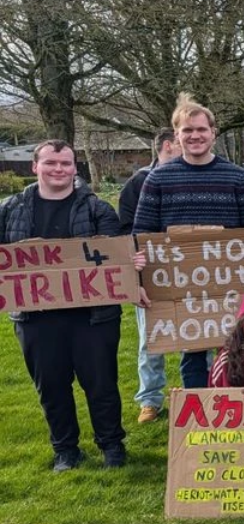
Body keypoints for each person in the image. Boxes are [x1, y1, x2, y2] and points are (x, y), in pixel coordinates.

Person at [0, 140, 146, 471]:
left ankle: (111, 446)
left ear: (74, 168)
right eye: (51, 163)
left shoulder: (97, 209)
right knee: (51, 386)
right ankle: (65, 450)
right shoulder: (11, 209)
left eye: (66, 163)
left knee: (101, 383)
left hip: (93, 318)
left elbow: (116, 253)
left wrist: (129, 261)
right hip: (35, 317)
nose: (59, 169)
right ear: (35, 166)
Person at [133, 92, 244, 389]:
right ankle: (197, 416)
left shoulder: (236, 177)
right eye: (188, 130)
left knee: (237, 350)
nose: (195, 136)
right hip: (181, 285)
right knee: (193, 356)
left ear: (213, 133)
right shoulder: (157, 179)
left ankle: (235, 413)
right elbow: (141, 235)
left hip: (232, 282)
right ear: (176, 136)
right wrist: (139, 280)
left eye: (201, 129)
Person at [118, 128, 178, 424]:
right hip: (151, 274)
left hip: (195, 272)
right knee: (151, 340)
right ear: (168, 145)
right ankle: (150, 399)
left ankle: (202, 391)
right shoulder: (138, 182)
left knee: (205, 333)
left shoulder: (192, 176)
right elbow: (125, 230)